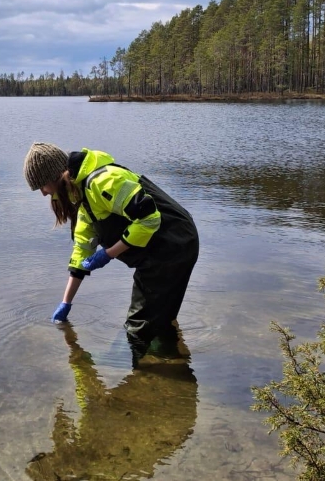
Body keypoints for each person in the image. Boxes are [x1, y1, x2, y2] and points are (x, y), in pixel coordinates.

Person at [23, 142, 199, 359]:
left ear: (55, 176)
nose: (43, 194)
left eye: (42, 186)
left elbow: (148, 218)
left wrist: (109, 253)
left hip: (173, 245)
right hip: (168, 248)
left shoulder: (103, 182)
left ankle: (146, 369)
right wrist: (66, 302)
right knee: (160, 321)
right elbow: (82, 249)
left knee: (138, 328)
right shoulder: (83, 198)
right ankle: (170, 366)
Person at [25, 324, 198, 480]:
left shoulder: (95, 449)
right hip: (176, 405)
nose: (50, 450)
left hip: (175, 407)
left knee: (147, 326)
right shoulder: (99, 453)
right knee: (153, 328)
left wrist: (79, 360)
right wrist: (78, 360)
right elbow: (87, 392)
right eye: (48, 455)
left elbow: (87, 392)